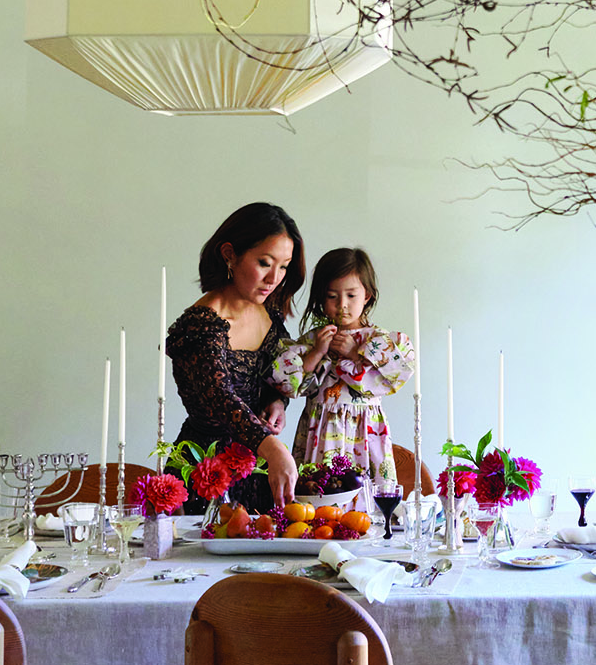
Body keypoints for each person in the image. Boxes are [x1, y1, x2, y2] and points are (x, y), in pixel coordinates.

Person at [166, 202, 304, 511]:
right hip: (207, 472)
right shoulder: (201, 324)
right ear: (229, 253)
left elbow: (278, 372)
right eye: (265, 263)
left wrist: (278, 401)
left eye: (284, 266)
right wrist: (274, 449)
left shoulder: (270, 312)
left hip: (259, 471)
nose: (275, 278)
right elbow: (220, 397)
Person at [271, 247, 415, 510]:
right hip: (321, 430)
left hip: (365, 430)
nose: (342, 305)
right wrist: (317, 352)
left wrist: (354, 352)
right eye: (332, 296)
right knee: (317, 501)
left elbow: (391, 379)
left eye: (351, 295)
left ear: (367, 295)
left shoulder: (378, 340)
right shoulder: (315, 339)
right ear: (321, 299)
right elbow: (289, 383)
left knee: (364, 503)